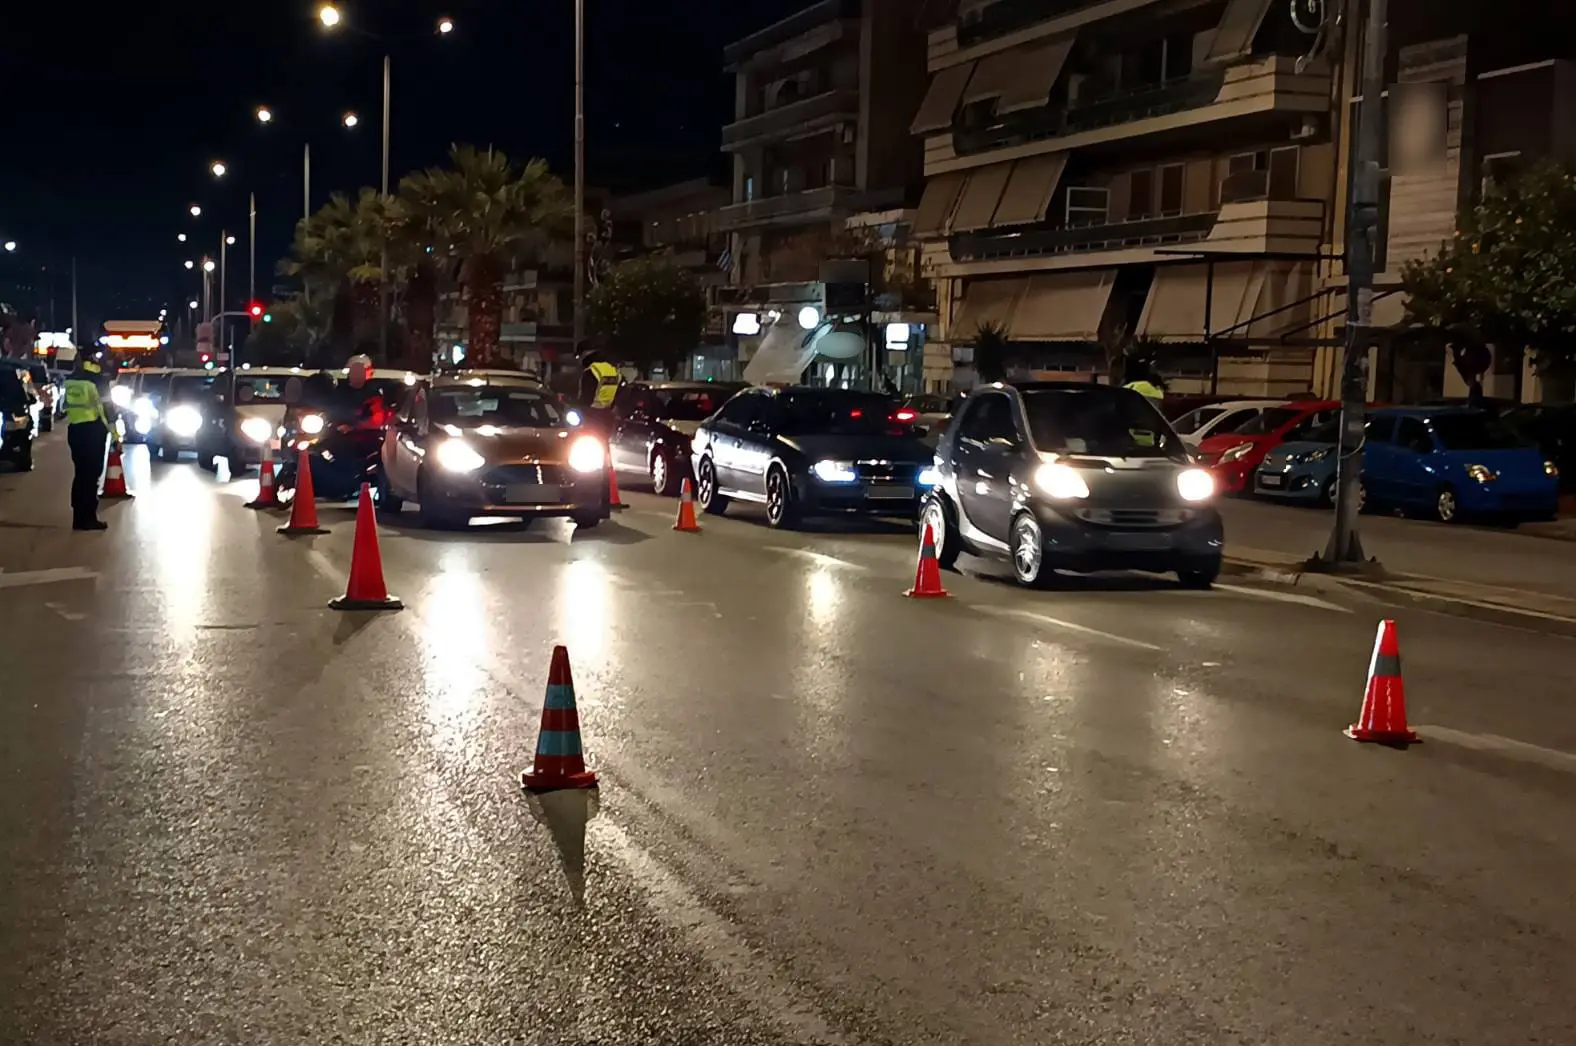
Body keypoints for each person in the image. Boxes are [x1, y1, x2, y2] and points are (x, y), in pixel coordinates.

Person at [64, 357, 116, 531]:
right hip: (93, 431)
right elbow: (107, 409)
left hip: (75, 430)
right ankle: (88, 518)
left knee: (80, 474)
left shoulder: (71, 379)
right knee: (92, 475)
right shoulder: (98, 380)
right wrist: (115, 435)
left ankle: (78, 517)